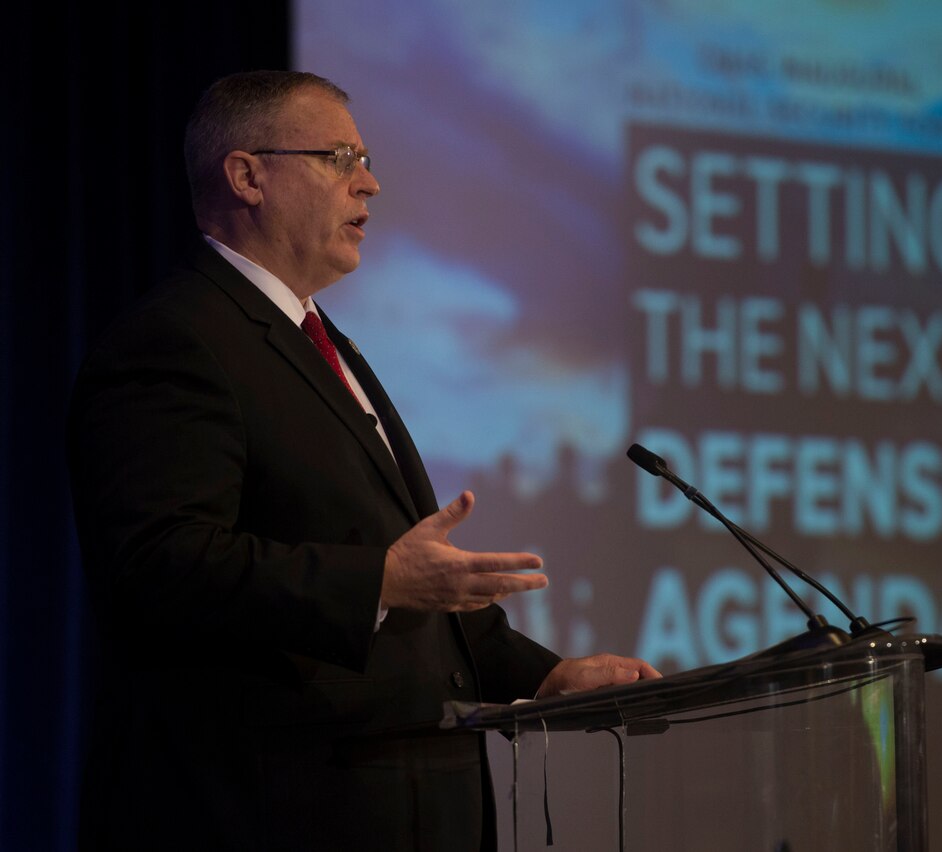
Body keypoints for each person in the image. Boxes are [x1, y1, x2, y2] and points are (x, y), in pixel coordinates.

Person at [67, 70, 659, 851]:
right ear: (247, 175)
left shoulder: (325, 344)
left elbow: (406, 583)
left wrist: (542, 678)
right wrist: (376, 582)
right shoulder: (177, 340)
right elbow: (159, 565)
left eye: (367, 157)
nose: (371, 183)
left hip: (405, 808)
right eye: (340, 157)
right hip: (272, 814)